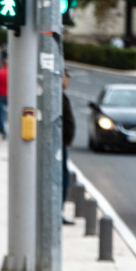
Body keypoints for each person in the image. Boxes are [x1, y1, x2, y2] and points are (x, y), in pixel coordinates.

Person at [62, 69, 76, 225]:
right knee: (61, 179)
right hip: (58, 146)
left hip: (62, 144)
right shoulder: (56, 96)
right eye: (66, 77)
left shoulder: (61, 96)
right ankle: (56, 212)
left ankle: (58, 211)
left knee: (64, 178)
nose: (68, 81)